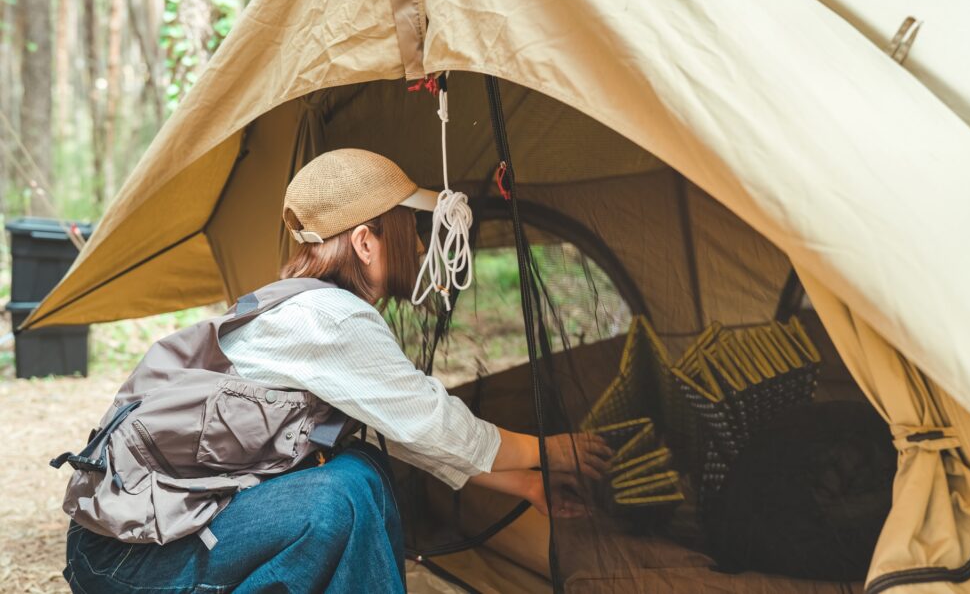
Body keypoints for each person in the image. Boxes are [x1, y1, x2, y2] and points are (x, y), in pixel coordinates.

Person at [62, 148, 612, 593]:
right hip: (126, 563)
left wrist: (526, 485)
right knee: (340, 495)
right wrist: (550, 450)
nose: (420, 246)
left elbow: (405, 435)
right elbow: (428, 421)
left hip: (143, 543)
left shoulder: (308, 307)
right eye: (409, 229)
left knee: (360, 470)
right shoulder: (329, 316)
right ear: (367, 241)